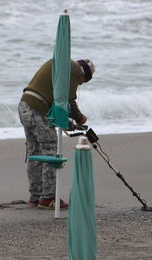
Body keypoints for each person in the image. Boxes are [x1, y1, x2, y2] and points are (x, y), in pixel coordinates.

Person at [18, 58, 95, 210]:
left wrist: (70, 123)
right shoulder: (73, 69)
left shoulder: (60, 66)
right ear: (82, 75)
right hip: (37, 111)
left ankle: (35, 196)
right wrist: (81, 118)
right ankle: (48, 198)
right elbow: (70, 102)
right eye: (81, 83)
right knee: (52, 153)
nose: (79, 86)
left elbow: (55, 105)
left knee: (35, 153)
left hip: (25, 106)